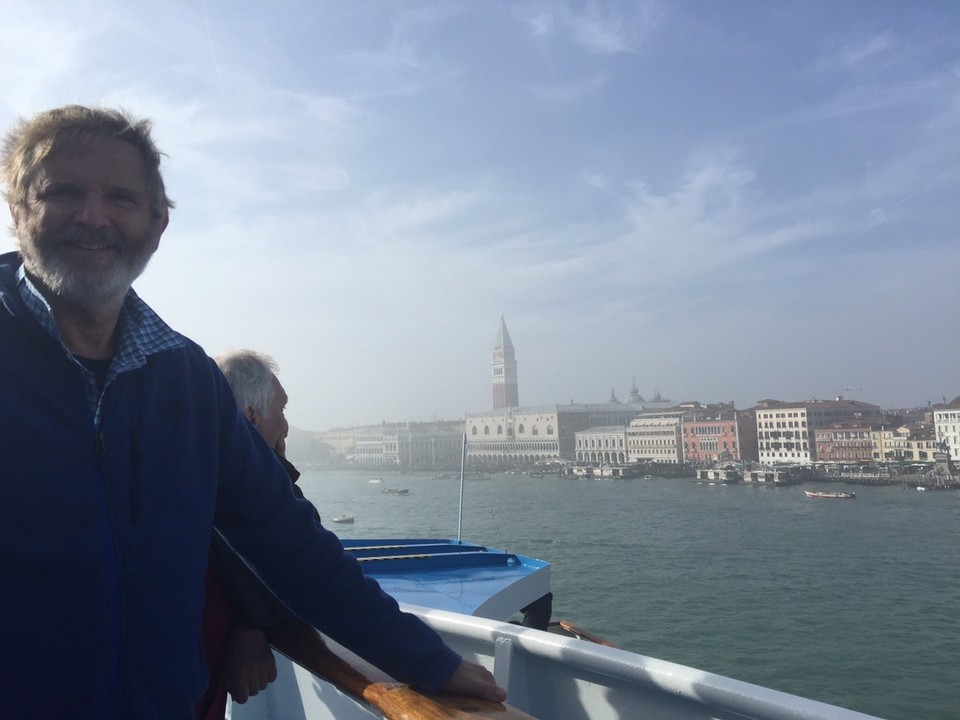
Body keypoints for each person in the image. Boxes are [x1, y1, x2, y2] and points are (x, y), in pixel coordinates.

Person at [0, 105, 505, 719]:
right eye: (63, 192)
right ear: (17, 209)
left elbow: (288, 541)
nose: (93, 216)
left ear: (158, 225)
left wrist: (427, 663)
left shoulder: (187, 383)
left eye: (121, 199)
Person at [197, 350, 310, 718]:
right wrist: (251, 627)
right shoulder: (242, 486)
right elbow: (301, 558)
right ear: (249, 417)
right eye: (281, 412)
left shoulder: (190, 466)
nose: (287, 427)